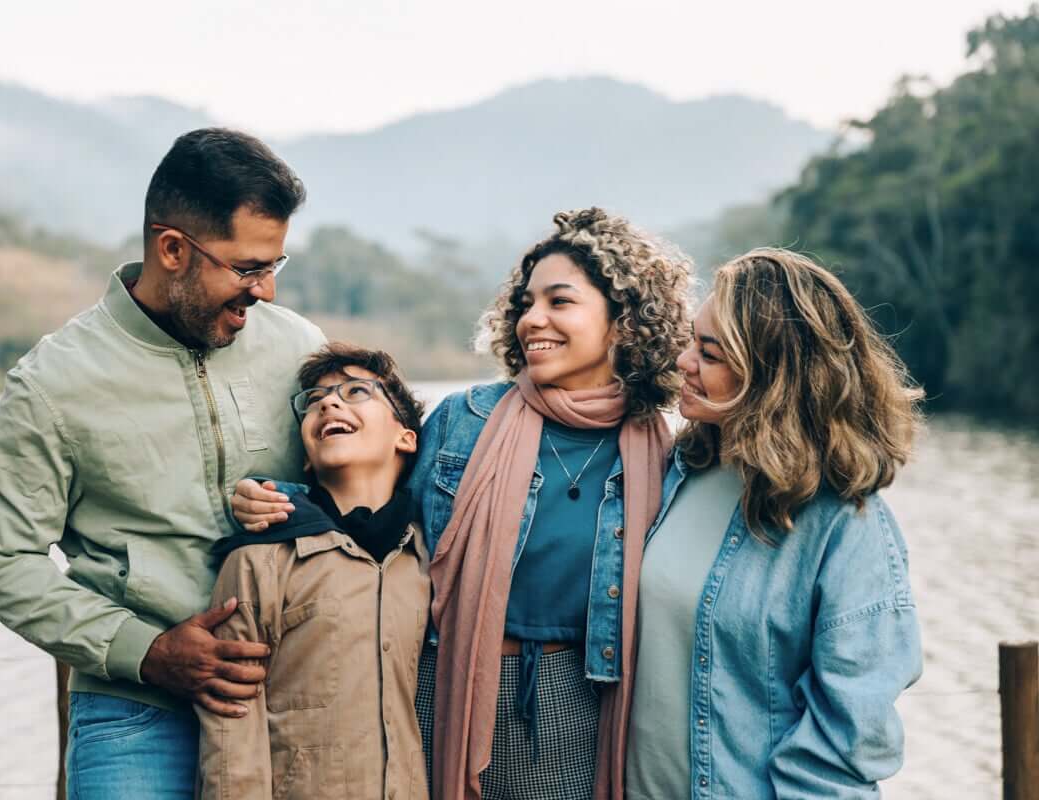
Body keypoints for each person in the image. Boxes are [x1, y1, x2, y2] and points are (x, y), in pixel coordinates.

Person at [235, 207, 693, 800]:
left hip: (578, 699)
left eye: (560, 302)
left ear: (625, 320)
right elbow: (370, 510)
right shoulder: (467, 420)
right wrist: (280, 502)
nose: (533, 320)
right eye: (526, 303)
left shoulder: (665, 452)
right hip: (446, 680)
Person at [0, 128, 327, 799]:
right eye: (247, 269)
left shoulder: (300, 348)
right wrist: (144, 651)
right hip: (134, 713)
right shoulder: (54, 381)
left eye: (276, 266)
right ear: (173, 249)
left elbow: (355, 498)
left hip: (290, 699)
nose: (266, 292)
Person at [626, 248, 923, 799]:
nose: (684, 362)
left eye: (709, 354)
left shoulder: (846, 525)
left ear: (773, 373)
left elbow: (847, 742)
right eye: (692, 341)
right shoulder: (671, 474)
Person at [198, 342, 430, 799]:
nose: (329, 402)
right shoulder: (258, 561)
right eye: (314, 400)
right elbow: (230, 731)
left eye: (357, 391)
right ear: (306, 454)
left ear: (405, 437)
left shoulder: (427, 560)